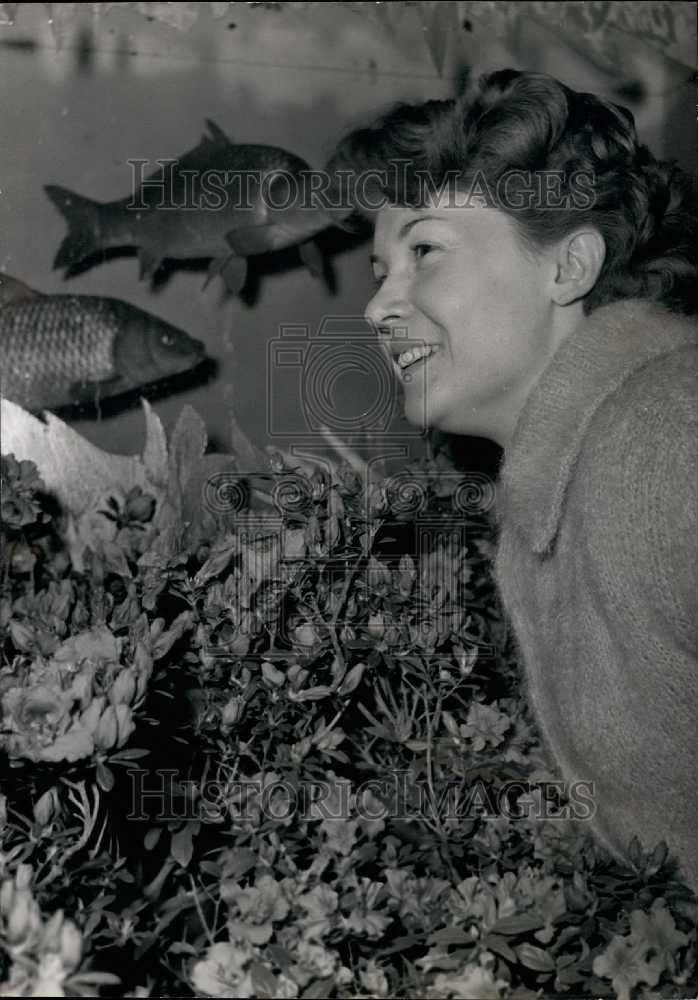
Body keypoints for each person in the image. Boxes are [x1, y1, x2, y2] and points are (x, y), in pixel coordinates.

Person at [329, 69, 698, 891]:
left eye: (423, 251)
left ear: (568, 267)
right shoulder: (581, 454)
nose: (378, 307)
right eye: (379, 269)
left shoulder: (669, 434)